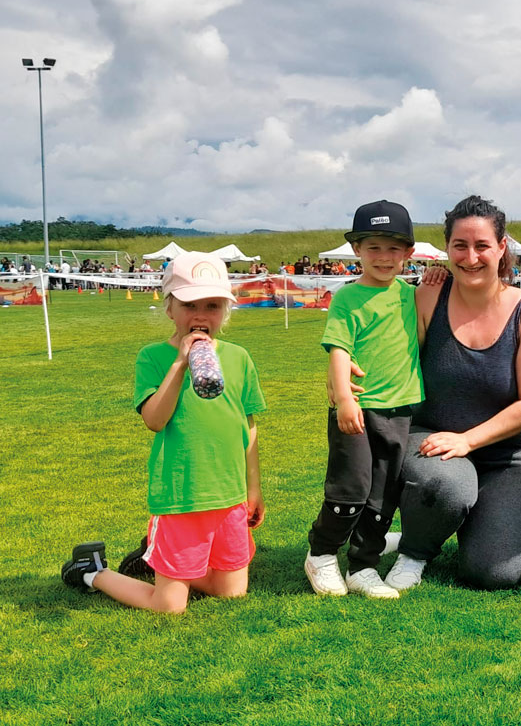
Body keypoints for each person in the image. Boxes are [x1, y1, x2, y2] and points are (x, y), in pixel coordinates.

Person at [61, 252, 267, 613]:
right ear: (170, 308)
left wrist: (253, 489)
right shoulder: (153, 357)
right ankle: (92, 571)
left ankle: (156, 560)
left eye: (212, 305)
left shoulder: (239, 357)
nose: (200, 315)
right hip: (180, 494)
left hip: (228, 494)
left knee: (231, 592)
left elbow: (248, 427)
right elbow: (155, 420)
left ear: (225, 310)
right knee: (170, 606)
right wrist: (180, 364)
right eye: (189, 304)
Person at [382, 195, 521, 591]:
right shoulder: (428, 296)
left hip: (511, 458)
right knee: (449, 486)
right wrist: (343, 369)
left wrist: (469, 440)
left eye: (482, 245)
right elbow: (396, 362)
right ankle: (414, 549)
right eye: (459, 245)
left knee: (494, 573)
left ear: (501, 248)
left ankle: (513, 529)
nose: (470, 257)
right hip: (432, 442)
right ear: (446, 249)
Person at [303, 200, 424, 600]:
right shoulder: (347, 299)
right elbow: (338, 349)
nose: (384, 257)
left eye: (394, 248)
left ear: (408, 253)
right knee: (350, 488)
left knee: (384, 494)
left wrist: (438, 277)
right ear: (357, 250)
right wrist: (342, 398)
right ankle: (321, 554)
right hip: (356, 410)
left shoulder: (411, 296)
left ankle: (363, 565)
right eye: (374, 247)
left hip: (401, 411)